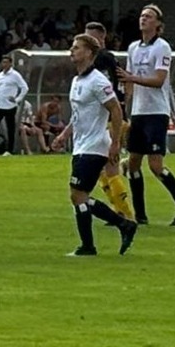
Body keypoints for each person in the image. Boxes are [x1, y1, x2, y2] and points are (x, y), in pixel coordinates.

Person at [55, 33, 139, 256]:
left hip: (95, 146)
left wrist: (115, 143)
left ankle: (90, 245)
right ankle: (121, 226)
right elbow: (78, 114)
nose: (72, 51)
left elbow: (116, 109)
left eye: (77, 47)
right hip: (81, 145)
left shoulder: (99, 81)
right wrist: (64, 135)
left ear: (89, 53)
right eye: (72, 47)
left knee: (78, 195)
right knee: (79, 197)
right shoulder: (77, 81)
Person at [116, 3, 175, 227]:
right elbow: (129, 79)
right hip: (139, 112)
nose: (143, 19)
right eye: (142, 15)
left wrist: (131, 79)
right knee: (132, 164)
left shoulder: (162, 47)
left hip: (156, 112)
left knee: (155, 165)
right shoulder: (133, 48)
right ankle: (140, 215)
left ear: (158, 24)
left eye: (149, 16)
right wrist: (126, 106)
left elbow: (159, 80)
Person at [84, 21, 135, 221]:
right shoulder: (104, 60)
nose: (85, 42)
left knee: (109, 167)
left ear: (100, 39)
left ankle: (127, 215)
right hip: (104, 119)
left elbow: (108, 88)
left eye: (89, 38)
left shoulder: (103, 59)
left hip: (108, 119)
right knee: (102, 170)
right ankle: (119, 209)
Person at [0, 54, 29, 155]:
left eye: (6, 62)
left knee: (10, 128)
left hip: (9, 106)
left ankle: (9, 150)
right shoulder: (0, 75)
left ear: (10, 63)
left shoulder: (15, 75)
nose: (4, 64)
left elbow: (24, 88)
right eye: (3, 62)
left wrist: (17, 99)